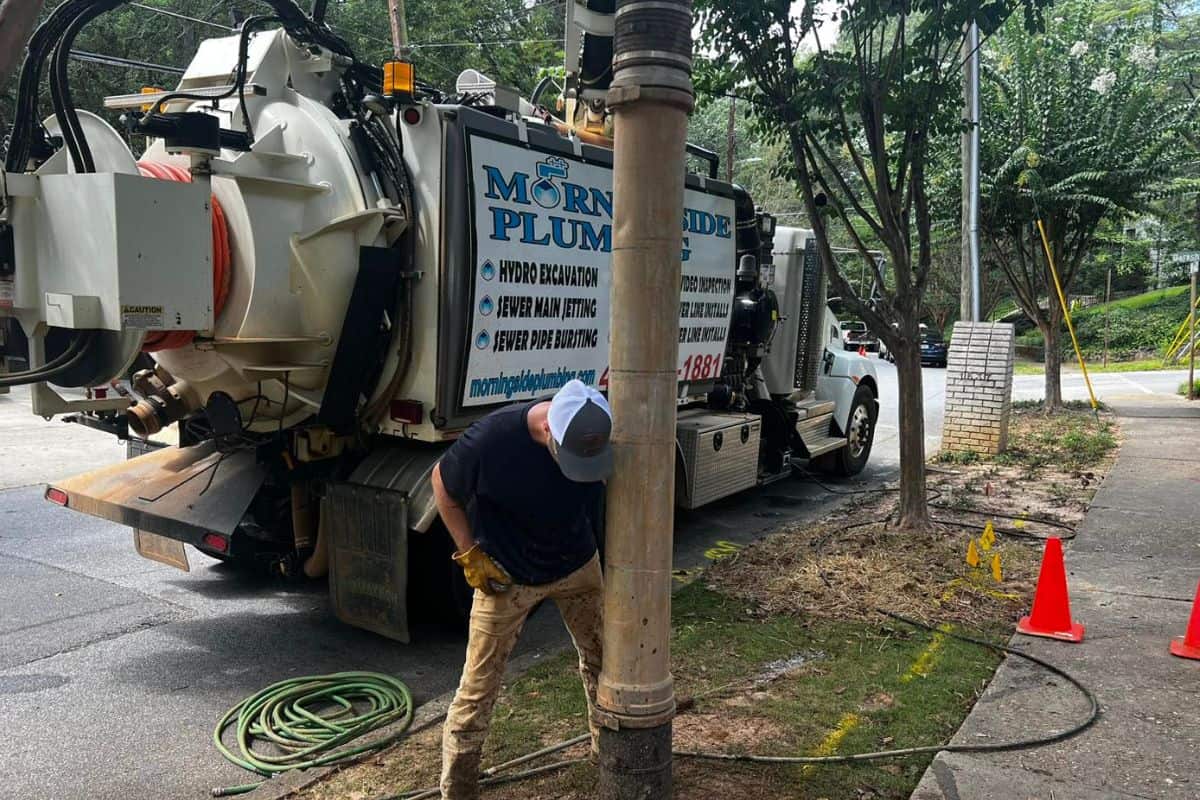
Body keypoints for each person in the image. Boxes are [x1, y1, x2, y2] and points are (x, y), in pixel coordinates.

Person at [431, 379, 612, 800]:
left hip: (577, 565)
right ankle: (457, 791)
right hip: (507, 576)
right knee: (478, 690)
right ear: (549, 429)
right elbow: (442, 484)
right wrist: (469, 553)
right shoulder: (493, 439)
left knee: (604, 663)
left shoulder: (596, 432)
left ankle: (609, 754)